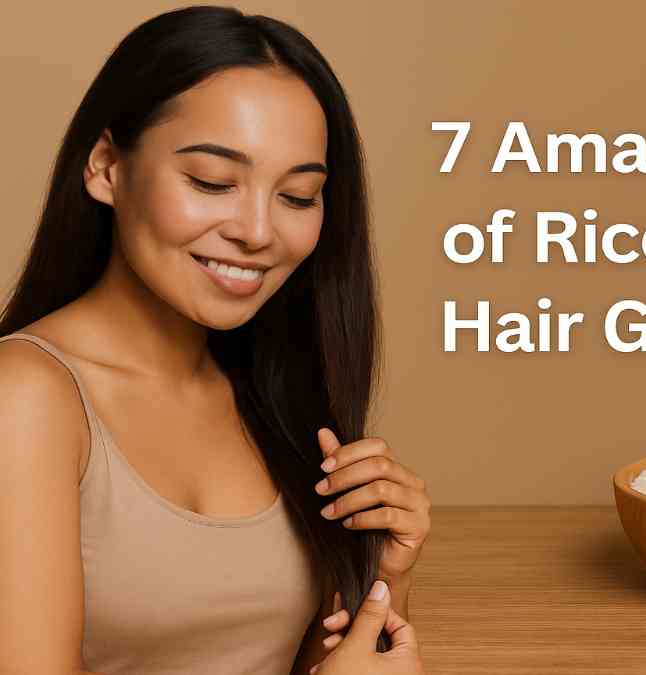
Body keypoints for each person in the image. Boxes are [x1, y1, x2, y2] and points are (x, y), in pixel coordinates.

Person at [0, 6, 429, 674]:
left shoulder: (274, 395)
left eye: (297, 196)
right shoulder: (24, 397)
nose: (257, 231)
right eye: (212, 182)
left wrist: (383, 578)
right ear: (107, 166)